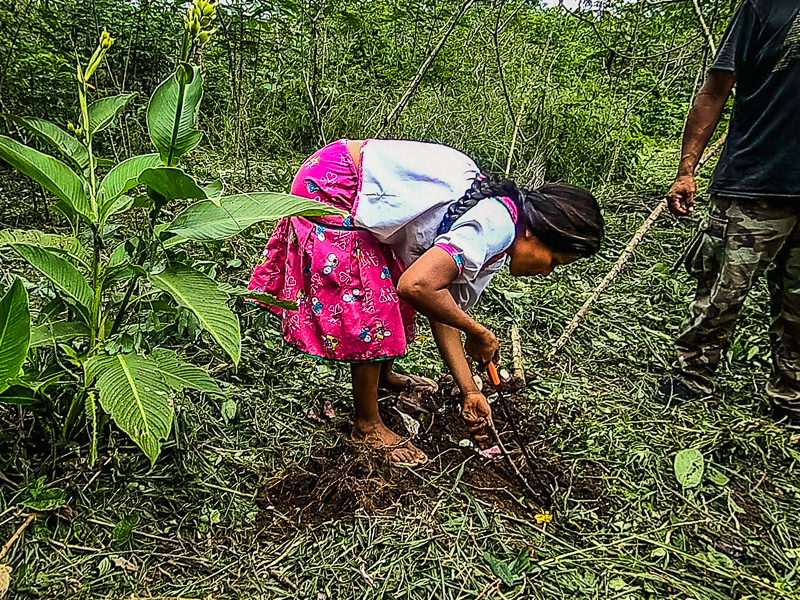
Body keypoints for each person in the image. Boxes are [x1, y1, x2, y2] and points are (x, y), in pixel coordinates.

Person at [250, 139, 604, 464]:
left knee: (387, 285)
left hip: (349, 183)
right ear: (535, 233)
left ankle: (383, 376)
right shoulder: (495, 226)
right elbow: (416, 286)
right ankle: (367, 426)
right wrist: (479, 332)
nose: (546, 273)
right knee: (374, 300)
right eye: (554, 262)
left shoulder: (498, 241)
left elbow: (444, 310)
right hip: (335, 184)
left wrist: (470, 391)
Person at [657, 0, 800, 425]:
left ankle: (790, 397)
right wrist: (687, 170)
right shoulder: (764, 7)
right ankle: (690, 378)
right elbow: (715, 89)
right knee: (722, 291)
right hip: (753, 183)